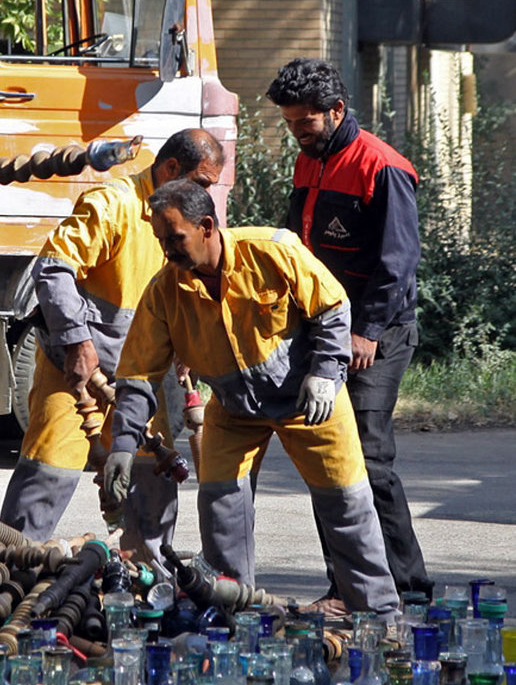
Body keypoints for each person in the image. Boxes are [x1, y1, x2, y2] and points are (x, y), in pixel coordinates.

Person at [104, 179, 399, 616]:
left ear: (206, 226)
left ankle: (380, 619)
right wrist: (123, 446)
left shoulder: (273, 250)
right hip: (234, 408)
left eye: (176, 238)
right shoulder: (165, 291)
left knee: (347, 507)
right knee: (221, 505)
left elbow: (333, 307)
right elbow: (137, 375)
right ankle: (233, 615)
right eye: (161, 241)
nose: (167, 251)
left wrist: (324, 372)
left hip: (309, 400)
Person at [0, 130, 223, 564]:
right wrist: (77, 343)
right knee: (48, 473)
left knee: (150, 484)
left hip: (142, 379)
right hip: (79, 373)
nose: (207, 193)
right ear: (171, 170)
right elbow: (53, 268)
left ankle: (148, 581)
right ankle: (6, 570)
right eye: (203, 181)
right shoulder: (112, 205)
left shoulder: (188, 217)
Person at [267, 57, 431, 609]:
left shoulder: (382, 167)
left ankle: (407, 589)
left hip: (375, 336)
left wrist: (366, 333)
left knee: (368, 459)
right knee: (325, 454)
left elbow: (398, 262)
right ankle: (347, 588)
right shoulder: (306, 160)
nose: (297, 133)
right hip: (323, 328)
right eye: (290, 124)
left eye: (305, 123)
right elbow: (295, 246)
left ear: (337, 111)